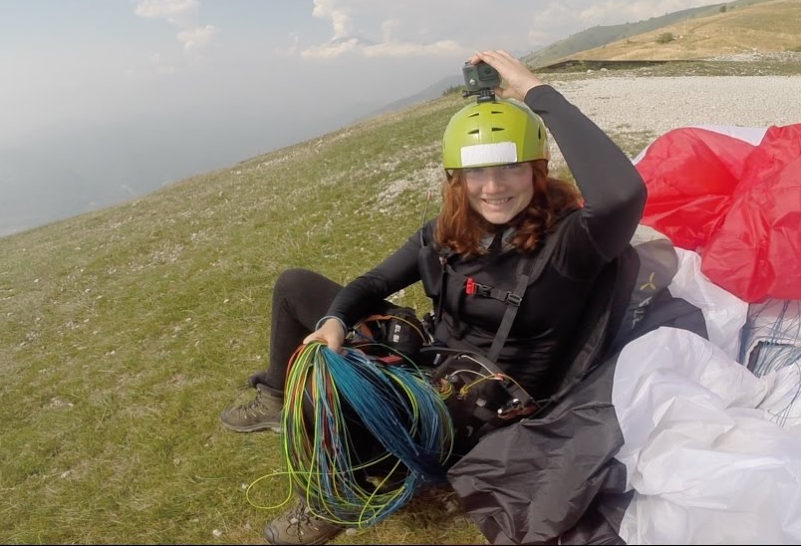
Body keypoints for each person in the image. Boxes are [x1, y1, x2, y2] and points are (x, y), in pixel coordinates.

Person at [220, 49, 648, 545]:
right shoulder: (447, 233)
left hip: (479, 413)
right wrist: (337, 320)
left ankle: (332, 496)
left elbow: (621, 194)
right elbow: (374, 283)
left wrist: (535, 91)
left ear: (536, 168)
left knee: (326, 386)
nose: (493, 187)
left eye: (510, 167)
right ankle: (275, 397)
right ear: (456, 179)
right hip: (427, 363)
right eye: (475, 172)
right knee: (296, 286)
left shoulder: (568, 245)